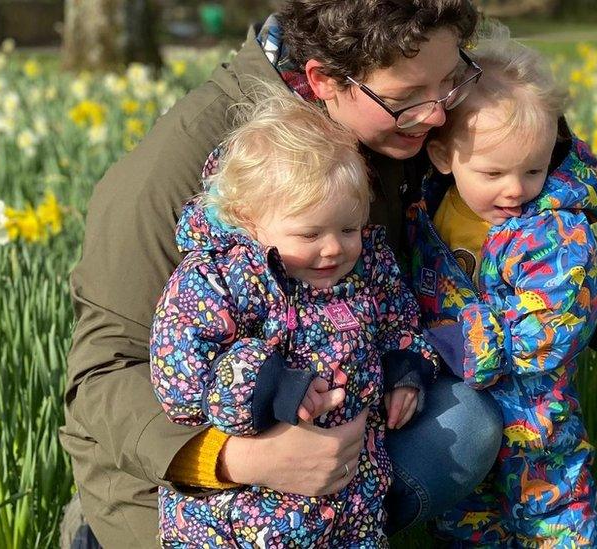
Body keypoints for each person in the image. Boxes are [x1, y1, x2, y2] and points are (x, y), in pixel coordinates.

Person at [59, 2, 597, 546]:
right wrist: (245, 459)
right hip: (187, 478)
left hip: (350, 438)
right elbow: (102, 375)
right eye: (405, 100)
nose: (436, 115)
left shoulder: (428, 119)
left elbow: (553, 247)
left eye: (451, 80)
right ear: (325, 79)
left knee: (468, 419)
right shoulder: (187, 165)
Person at [149, 91, 436, 546]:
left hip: (353, 493)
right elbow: (182, 385)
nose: (333, 248)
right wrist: (270, 385)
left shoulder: (367, 267)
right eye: (310, 233)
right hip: (249, 510)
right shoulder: (219, 278)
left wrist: (406, 370)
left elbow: (400, 322)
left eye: (348, 228)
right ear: (249, 219)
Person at [407, 32, 597, 546]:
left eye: (533, 170)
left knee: (554, 514)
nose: (516, 190)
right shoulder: (428, 215)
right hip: (457, 403)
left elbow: (553, 322)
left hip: (536, 411)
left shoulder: (554, 231)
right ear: (441, 157)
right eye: (493, 171)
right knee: (468, 518)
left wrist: (456, 343)